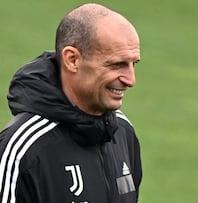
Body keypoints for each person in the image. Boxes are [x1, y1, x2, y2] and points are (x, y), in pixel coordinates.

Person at [0, 3, 142, 203]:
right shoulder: (24, 149)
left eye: (133, 64)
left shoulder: (122, 131)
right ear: (72, 59)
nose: (130, 80)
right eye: (117, 64)